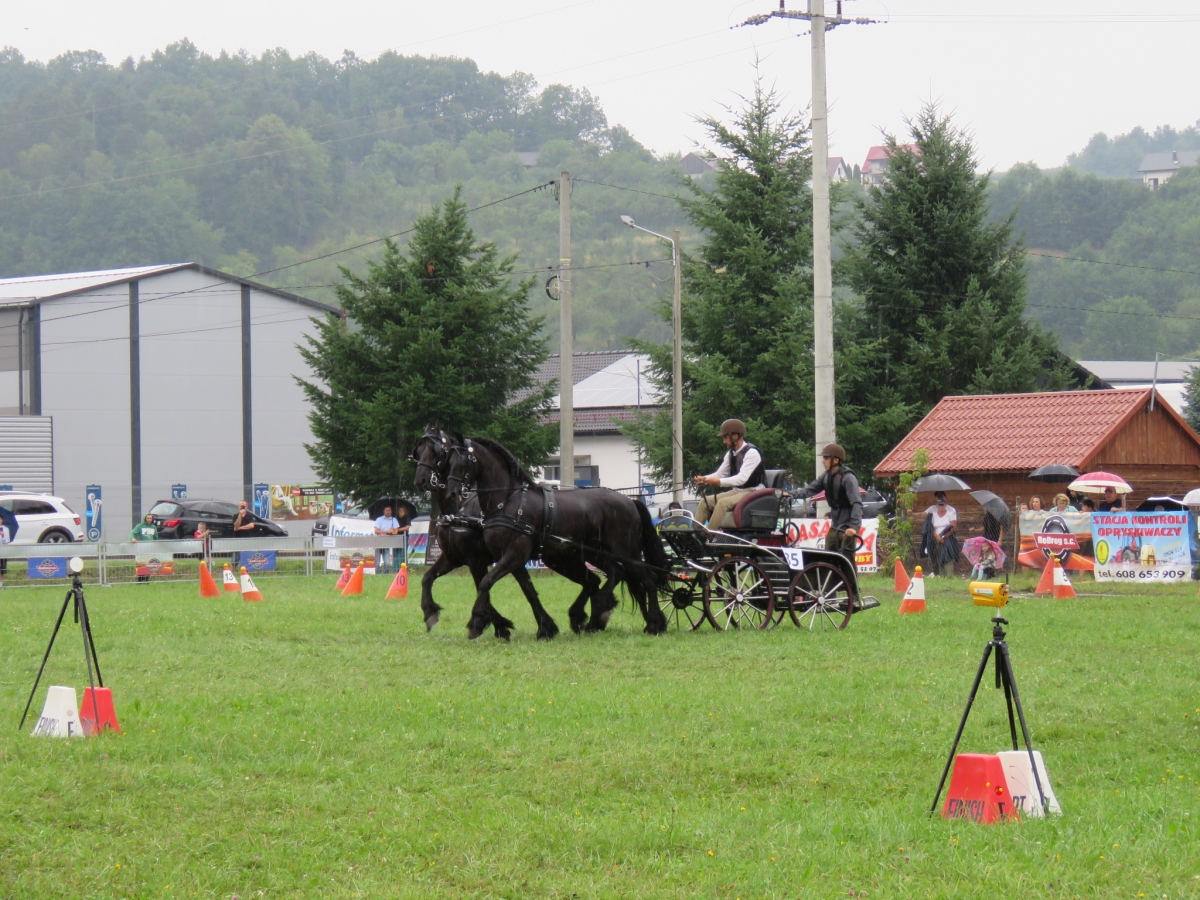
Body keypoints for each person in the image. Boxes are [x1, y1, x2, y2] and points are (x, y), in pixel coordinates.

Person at [789, 443, 862, 564]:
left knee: (846, 561)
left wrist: (854, 527)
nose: (823, 461)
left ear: (836, 460)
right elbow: (808, 490)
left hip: (848, 527)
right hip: (835, 526)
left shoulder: (848, 478)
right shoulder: (826, 477)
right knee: (828, 559)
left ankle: (849, 578)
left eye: (826, 458)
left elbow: (857, 503)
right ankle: (829, 577)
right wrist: (790, 494)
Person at [693, 419, 768, 529]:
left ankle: (708, 534)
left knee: (723, 503)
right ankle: (695, 534)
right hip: (738, 491)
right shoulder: (731, 454)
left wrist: (718, 482)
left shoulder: (752, 453)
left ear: (735, 436)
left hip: (753, 491)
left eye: (725, 437)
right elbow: (720, 474)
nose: (724, 441)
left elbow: (742, 479)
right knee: (704, 502)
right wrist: (704, 479)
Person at [920, 492, 960, 577]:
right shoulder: (932, 511)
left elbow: (953, 527)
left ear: (945, 504)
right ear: (936, 505)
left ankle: (948, 575)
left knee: (947, 555)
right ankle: (938, 574)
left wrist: (943, 536)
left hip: (947, 537)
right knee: (935, 555)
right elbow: (928, 525)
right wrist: (937, 537)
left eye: (942, 504)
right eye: (939, 504)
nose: (941, 506)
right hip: (934, 537)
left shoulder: (951, 511)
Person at [373, 505, 409, 573]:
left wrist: (385, 532)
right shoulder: (379, 519)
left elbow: (396, 531)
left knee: (387, 562)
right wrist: (388, 531)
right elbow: (376, 531)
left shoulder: (394, 519)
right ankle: (377, 574)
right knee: (377, 561)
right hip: (378, 542)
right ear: (384, 511)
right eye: (386, 510)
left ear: (391, 511)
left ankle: (386, 575)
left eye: (389, 510)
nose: (388, 512)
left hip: (387, 542)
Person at [130, 513, 158, 583]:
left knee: (149, 564)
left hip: (150, 548)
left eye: (150, 518)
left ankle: (147, 580)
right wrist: (132, 538)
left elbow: (156, 538)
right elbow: (132, 533)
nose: (149, 520)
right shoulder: (139, 526)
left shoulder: (153, 527)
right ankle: (140, 580)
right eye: (148, 518)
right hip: (142, 548)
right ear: (145, 518)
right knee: (141, 564)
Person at [230, 500, 255, 570]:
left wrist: (240, 528)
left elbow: (251, 525)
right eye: (241, 506)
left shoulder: (250, 516)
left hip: (247, 540)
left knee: (247, 558)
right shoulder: (235, 516)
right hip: (237, 540)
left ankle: (246, 572)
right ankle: (232, 573)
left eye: (244, 506)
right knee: (234, 559)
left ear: (247, 507)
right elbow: (236, 525)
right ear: (238, 507)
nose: (242, 507)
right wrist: (240, 515)